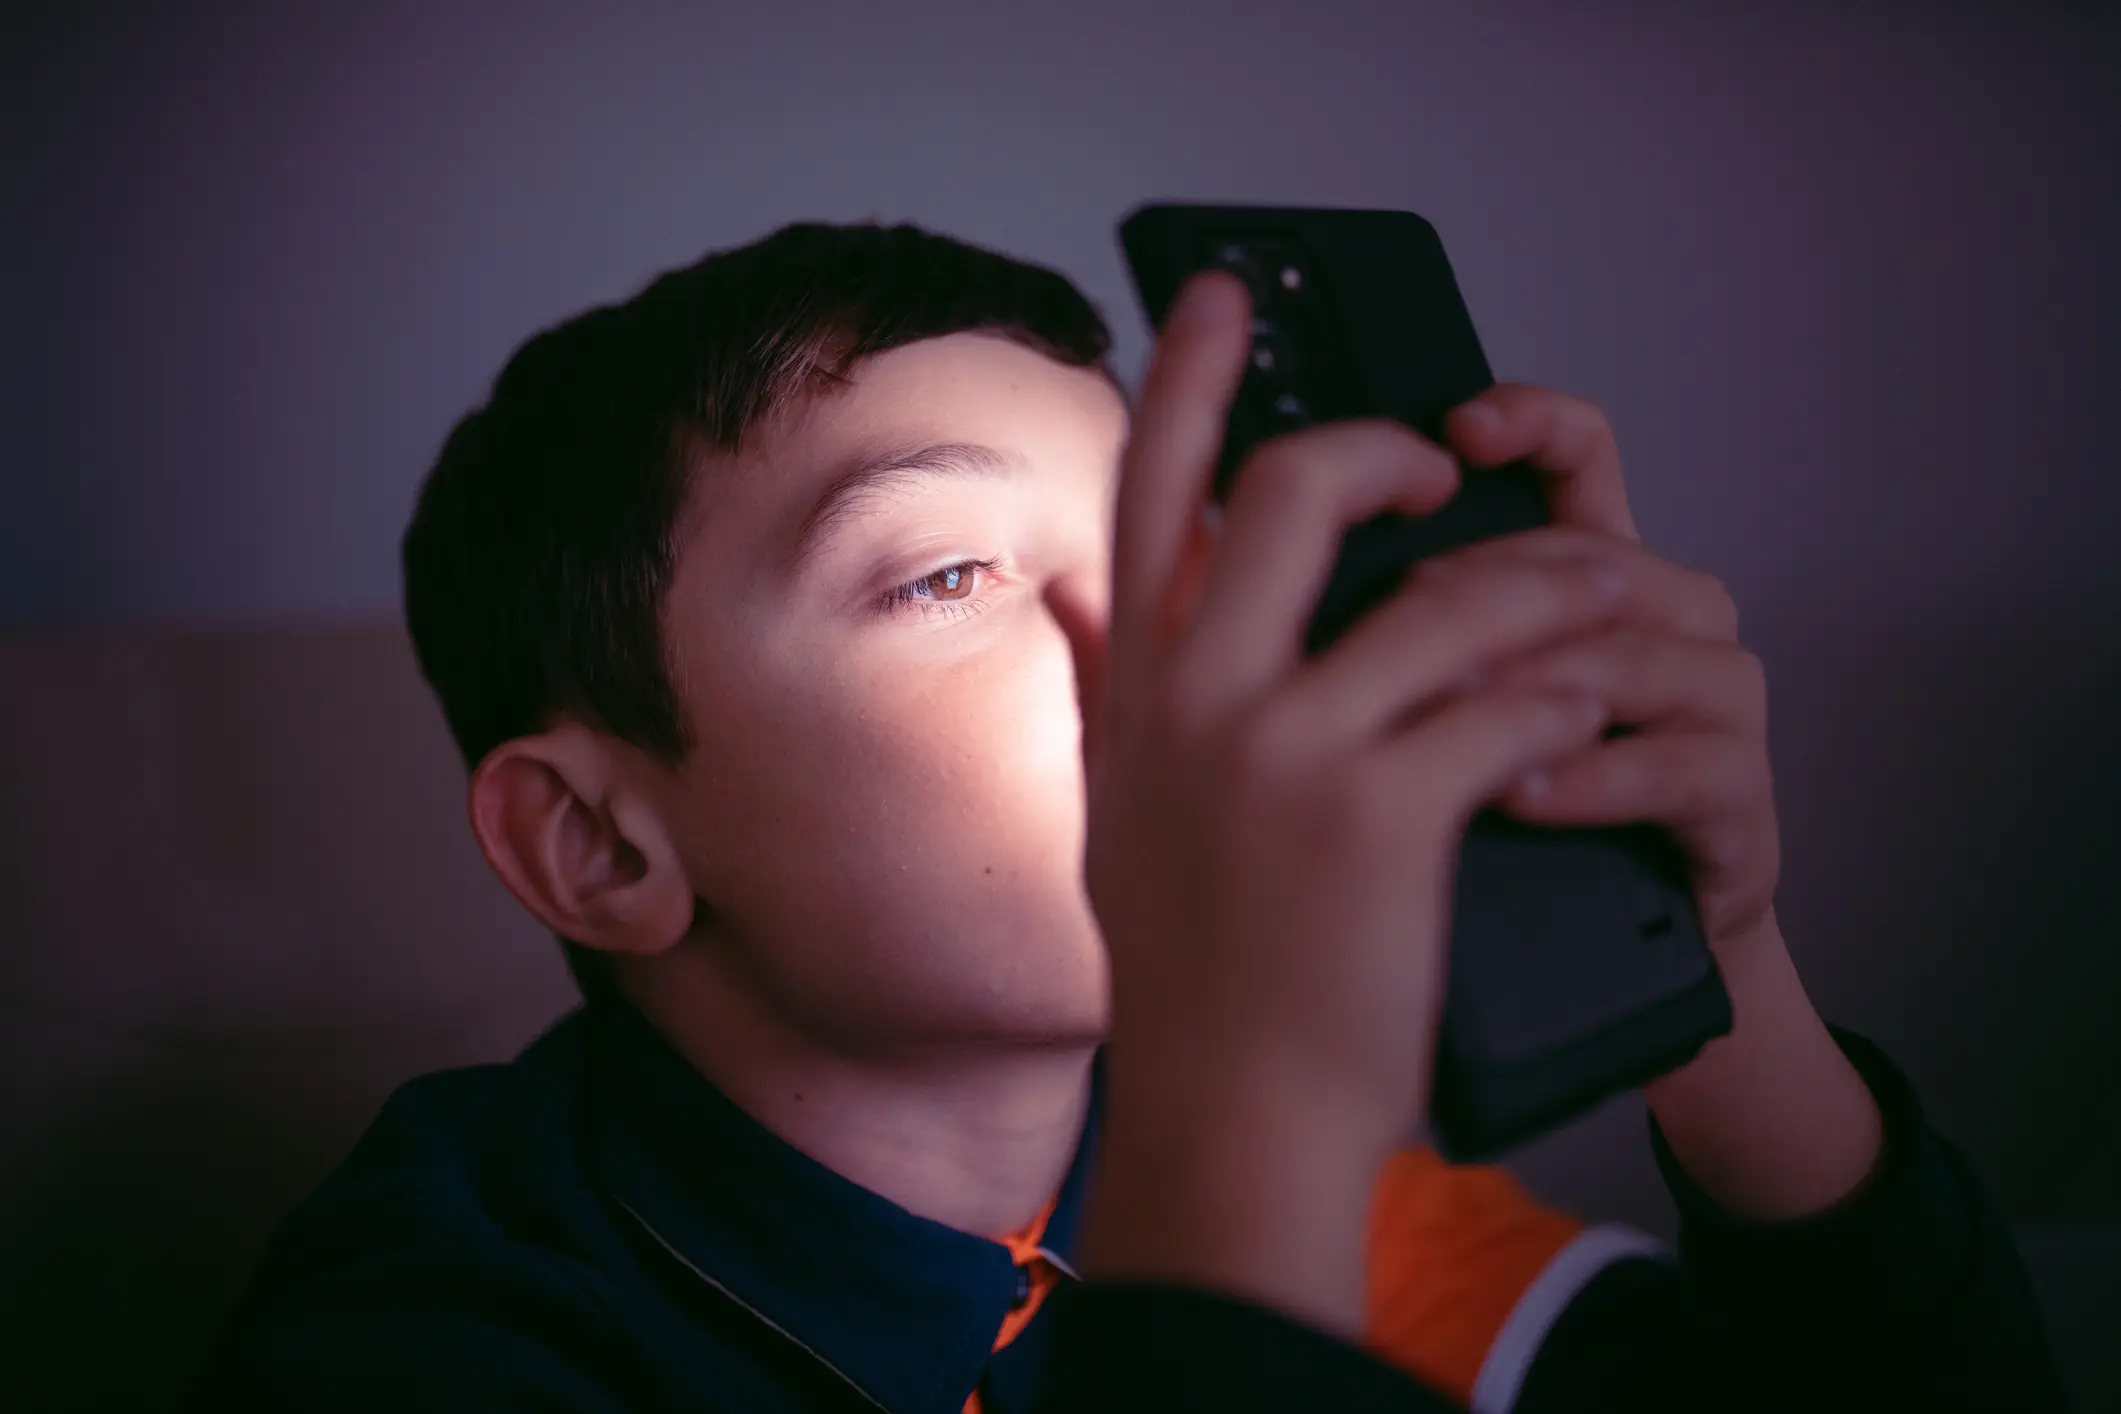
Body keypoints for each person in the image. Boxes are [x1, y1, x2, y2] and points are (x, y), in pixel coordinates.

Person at [186, 221, 2064, 1412]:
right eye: (944, 575)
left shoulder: (1372, 1225)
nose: (1181, 639)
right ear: (599, 844)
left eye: (1181, 542)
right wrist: (1250, 1111)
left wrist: (1715, 961)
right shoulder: (427, 1335)